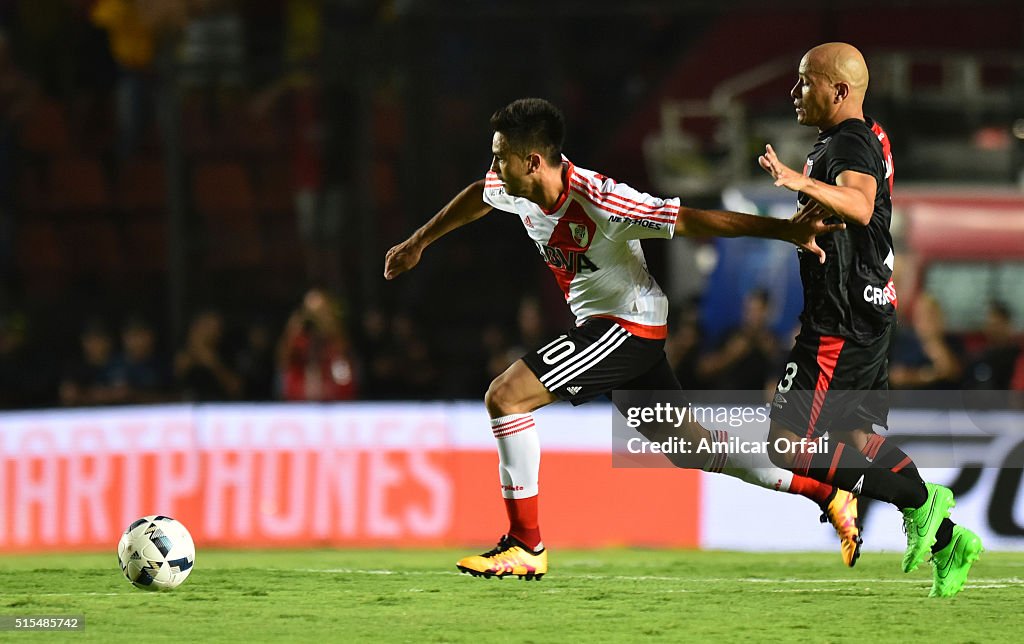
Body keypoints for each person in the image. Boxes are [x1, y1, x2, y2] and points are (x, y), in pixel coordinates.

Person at [384, 97, 860, 580]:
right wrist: (418, 242)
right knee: (692, 448)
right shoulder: (515, 187)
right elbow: (476, 194)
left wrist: (785, 230)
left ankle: (526, 544)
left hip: (625, 326)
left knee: (506, 397)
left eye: (498, 156)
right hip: (616, 328)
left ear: (532, 161)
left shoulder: (602, 200)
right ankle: (829, 490)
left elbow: (693, 220)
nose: (493, 168)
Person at [756, 42, 981, 597]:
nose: (794, 90)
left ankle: (923, 501)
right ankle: (951, 539)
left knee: (786, 445)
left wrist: (796, 180)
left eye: (805, 80)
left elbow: (858, 204)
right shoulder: (863, 135)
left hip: (842, 320)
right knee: (853, 436)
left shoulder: (851, 140)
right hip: (867, 310)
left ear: (839, 91)